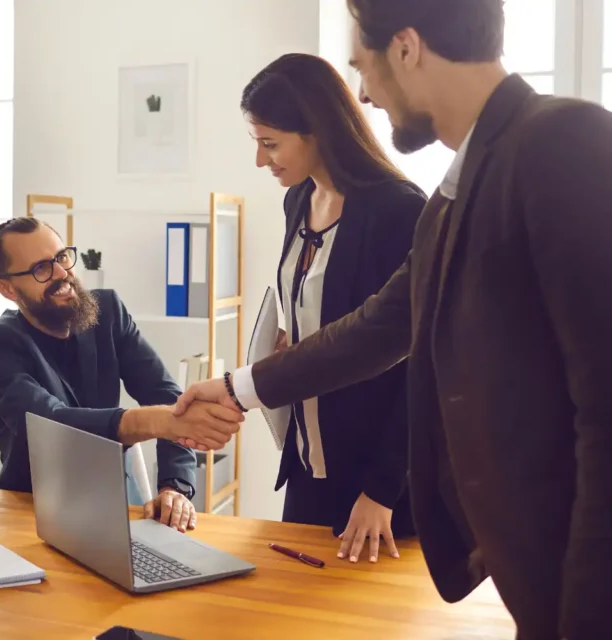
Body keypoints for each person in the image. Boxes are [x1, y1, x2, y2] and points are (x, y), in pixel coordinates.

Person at [174, 0, 611, 636]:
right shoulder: (452, 197)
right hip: (527, 568)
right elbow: (378, 329)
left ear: (406, 49)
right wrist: (239, 387)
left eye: (364, 67)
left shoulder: (561, 139)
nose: (364, 94)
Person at [237, 53, 425, 563]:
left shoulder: (399, 210)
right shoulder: (297, 200)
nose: (261, 160)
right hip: (305, 466)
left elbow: (420, 366)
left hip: (377, 486)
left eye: (270, 144)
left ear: (316, 130)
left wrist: (384, 488)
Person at [0, 217, 243, 532]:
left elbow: (168, 397)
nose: (62, 274)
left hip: (109, 506)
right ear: (7, 288)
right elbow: (52, 423)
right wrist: (158, 421)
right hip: (31, 514)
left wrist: (175, 488)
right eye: (41, 269)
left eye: (61, 257)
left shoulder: (108, 312)